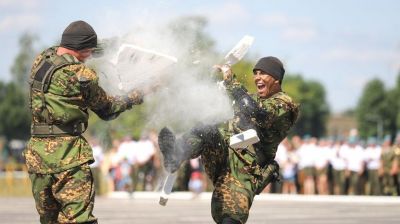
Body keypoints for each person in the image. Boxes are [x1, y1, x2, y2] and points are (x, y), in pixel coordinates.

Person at [23, 20, 145, 224]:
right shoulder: (80, 75)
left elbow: (76, 48)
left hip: (38, 157)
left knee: (49, 220)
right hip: (68, 156)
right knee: (79, 220)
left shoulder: (42, 60)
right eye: (89, 51)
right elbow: (108, 110)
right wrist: (137, 95)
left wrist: (112, 44)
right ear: (84, 49)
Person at [158, 56, 299, 223]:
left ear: (276, 79)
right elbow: (227, 102)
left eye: (263, 73)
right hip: (226, 152)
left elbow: (259, 113)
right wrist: (212, 83)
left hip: (246, 168)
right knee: (205, 129)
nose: (257, 78)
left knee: (229, 216)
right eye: (256, 74)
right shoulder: (252, 99)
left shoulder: (285, 104)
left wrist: (231, 81)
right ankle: (176, 155)